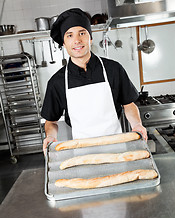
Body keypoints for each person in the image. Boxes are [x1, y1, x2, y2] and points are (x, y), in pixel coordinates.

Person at [41, 8, 147, 153]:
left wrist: (137, 124)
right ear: (64, 44)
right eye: (70, 35)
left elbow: (128, 104)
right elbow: (51, 121)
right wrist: (51, 136)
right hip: (83, 151)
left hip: (117, 148)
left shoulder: (113, 69)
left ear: (90, 38)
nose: (77, 40)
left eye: (82, 33)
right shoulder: (57, 82)